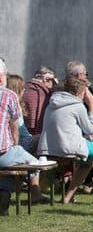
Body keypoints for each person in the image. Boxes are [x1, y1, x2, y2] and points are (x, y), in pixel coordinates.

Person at [37, 76, 93, 206]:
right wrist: (92, 105)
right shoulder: (77, 105)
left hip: (49, 148)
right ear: (79, 93)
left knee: (88, 162)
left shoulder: (52, 103)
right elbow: (90, 129)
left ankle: (68, 197)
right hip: (70, 148)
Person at [0, 60, 53, 215]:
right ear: (3, 77)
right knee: (30, 161)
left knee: (10, 166)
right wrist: (15, 146)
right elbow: (15, 130)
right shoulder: (9, 95)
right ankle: (26, 192)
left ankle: (4, 195)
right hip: (4, 152)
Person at [21, 67, 58, 140]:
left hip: (22, 132)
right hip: (37, 136)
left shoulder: (24, 89)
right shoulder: (44, 94)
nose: (54, 86)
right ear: (46, 80)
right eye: (53, 82)